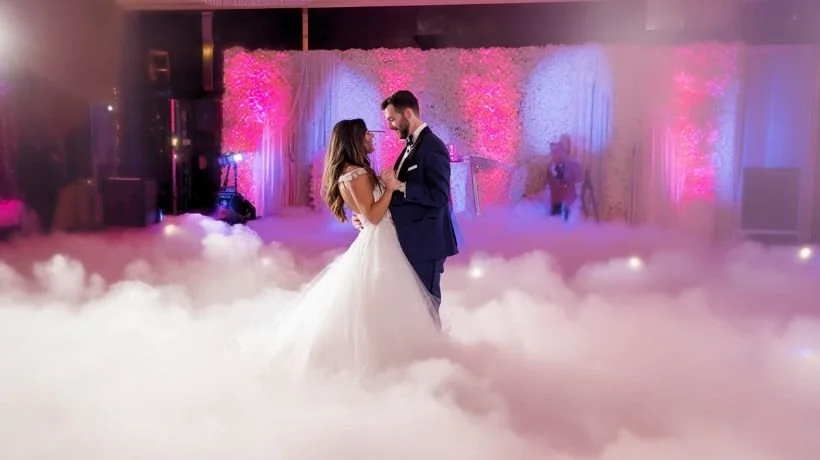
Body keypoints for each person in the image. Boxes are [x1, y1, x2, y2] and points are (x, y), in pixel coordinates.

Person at [262, 119, 442, 378]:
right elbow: (373, 215)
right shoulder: (357, 173)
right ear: (354, 139)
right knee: (383, 301)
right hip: (380, 241)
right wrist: (389, 189)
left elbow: (365, 212)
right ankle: (384, 364)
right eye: (366, 133)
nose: (371, 136)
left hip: (380, 238)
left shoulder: (353, 171)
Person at [352, 90, 458, 310]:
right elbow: (400, 198)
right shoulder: (412, 145)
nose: (390, 125)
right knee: (413, 309)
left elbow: (439, 197)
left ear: (408, 113)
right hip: (411, 241)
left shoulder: (432, 147)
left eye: (392, 119)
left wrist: (401, 185)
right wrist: (370, 216)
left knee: (427, 306)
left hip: (426, 243)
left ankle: (432, 346)